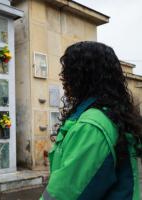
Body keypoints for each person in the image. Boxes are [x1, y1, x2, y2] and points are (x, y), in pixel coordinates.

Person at [41, 41, 142, 200]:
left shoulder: (91, 126)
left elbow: (65, 194)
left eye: (67, 73)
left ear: (81, 77)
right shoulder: (112, 114)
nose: (63, 79)